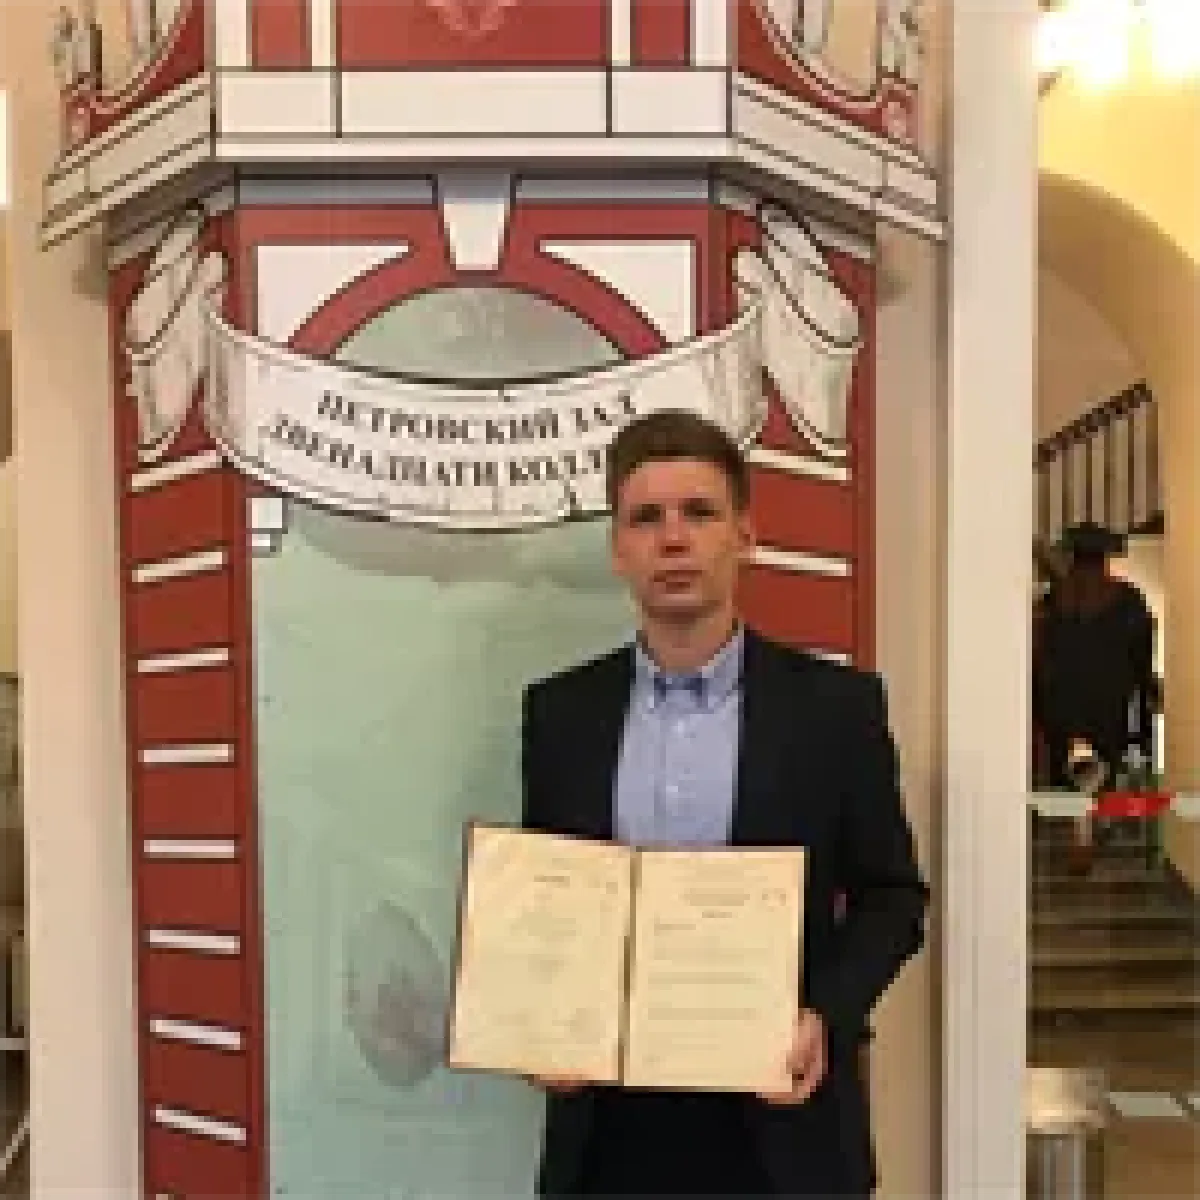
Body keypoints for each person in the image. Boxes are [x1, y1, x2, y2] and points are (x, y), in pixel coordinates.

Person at [520, 410, 928, 1200]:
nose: (673, 539)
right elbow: (549, 904)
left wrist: (824, 1016)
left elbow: (893, 898)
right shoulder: (560, 715)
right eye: (647, 518)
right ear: (618, 548)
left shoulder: (836, 709)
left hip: (784, 1134)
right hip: (608, 1140)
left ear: (745, 535)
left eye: (699, 512)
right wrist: (539, 1023)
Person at [1032, 521, 1156, 867]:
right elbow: (1142, 657)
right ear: (1105, 559)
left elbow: (1040, 659)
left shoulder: (1052, 602)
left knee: (1070, 773)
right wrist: (1145, 693)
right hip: (1107, 704)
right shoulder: (1129, 601)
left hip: (1061, 706)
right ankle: (1088, 836)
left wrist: (1040, 704)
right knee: (1100, 773)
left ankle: (1077, 838)